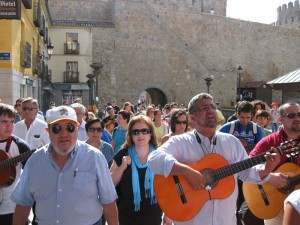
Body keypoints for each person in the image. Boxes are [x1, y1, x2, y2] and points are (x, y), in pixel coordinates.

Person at [147, 93, 280, 225]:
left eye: (212, 106)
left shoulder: (231, 142)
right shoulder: (181, 142)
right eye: (204, 108)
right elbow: (153, 159)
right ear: (192, 118)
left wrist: (267, 168)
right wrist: (187, 172)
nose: (211, 110)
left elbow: (247, 172)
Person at [11, 105, 118, 225]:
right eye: (57, 128)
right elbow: (23, 204)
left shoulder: (94, 157)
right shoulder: (35, 161)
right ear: (48, 131)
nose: (64, 134)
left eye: (70, 128)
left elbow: (109, 202)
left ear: (78, 128)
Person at [250, 102, 300, 225]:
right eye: (291, 115)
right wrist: (269, 177)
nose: (297, 118)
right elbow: (248, 165)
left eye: (299, 114)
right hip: (273, 203)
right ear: (280, 119)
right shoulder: (269, 141)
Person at [110, 115, 163, 225]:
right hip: (127, 217)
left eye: (144, 131)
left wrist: (168, 214)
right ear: (130, 135)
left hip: (154, 216)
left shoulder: (160, 155)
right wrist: (122, 167)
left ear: (151, 134)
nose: (140, 135)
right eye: (135, 132)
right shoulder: (122, 154)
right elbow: (110, 183)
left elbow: (170, 187)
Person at [0, 103, 31, 225]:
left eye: (12, 122)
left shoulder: (21, 146)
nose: (9, 126)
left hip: (11, 208)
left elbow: (33, 176)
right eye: (4, 122)